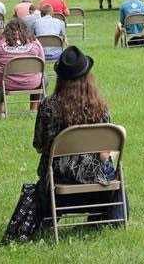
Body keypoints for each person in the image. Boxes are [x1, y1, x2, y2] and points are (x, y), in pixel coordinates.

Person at [31, 46, 127, 232]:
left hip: (59, 185)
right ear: (87, 77)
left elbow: (39, 145)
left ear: (60, 78)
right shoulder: (100, 108)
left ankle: (47, 219)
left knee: (43, 177)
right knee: (111, 166)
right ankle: (110, 219)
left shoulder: (48, 107)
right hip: (98, 187)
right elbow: (106, 148)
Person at [0, 19, 45, 117]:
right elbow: (42, 63)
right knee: (43, 79)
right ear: (26, 30)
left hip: (4, 83)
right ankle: (34, 110)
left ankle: (0, 112)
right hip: (32, 82)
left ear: (7, 30)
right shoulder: (35, 42)